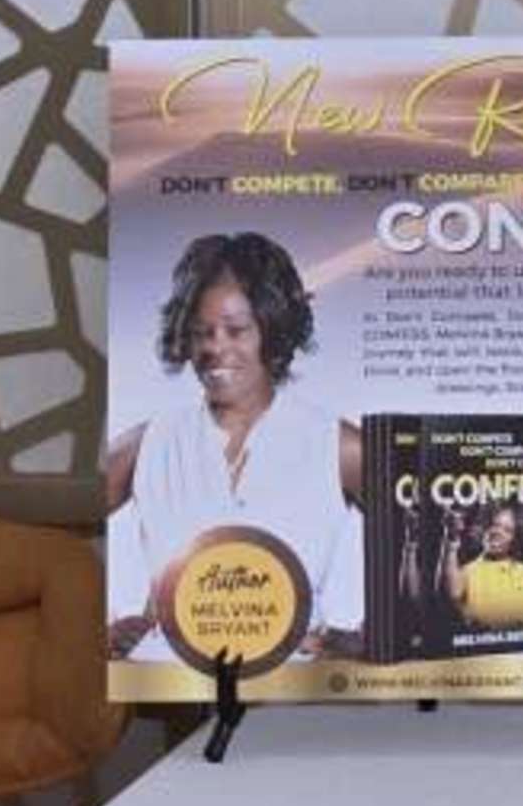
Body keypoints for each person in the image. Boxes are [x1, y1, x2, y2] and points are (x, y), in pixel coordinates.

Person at [105, 232, 364, 662]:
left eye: (236, 330)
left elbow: (428, 531)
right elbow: (66, 537)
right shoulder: (148, 443)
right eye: (200, 332)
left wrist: (374, 639)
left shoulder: (336, 444)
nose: (214, 347)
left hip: (291, 694)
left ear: (273, 330)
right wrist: (104, 627)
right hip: (173, 690)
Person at [442, 502, 523, 635]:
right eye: (494, 525)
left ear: (514, 539)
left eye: (508, 530)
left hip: (520, 654)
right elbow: (453, 594)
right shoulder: (467, 572)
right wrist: (452, 538)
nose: (498, 532)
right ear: (483, 527)